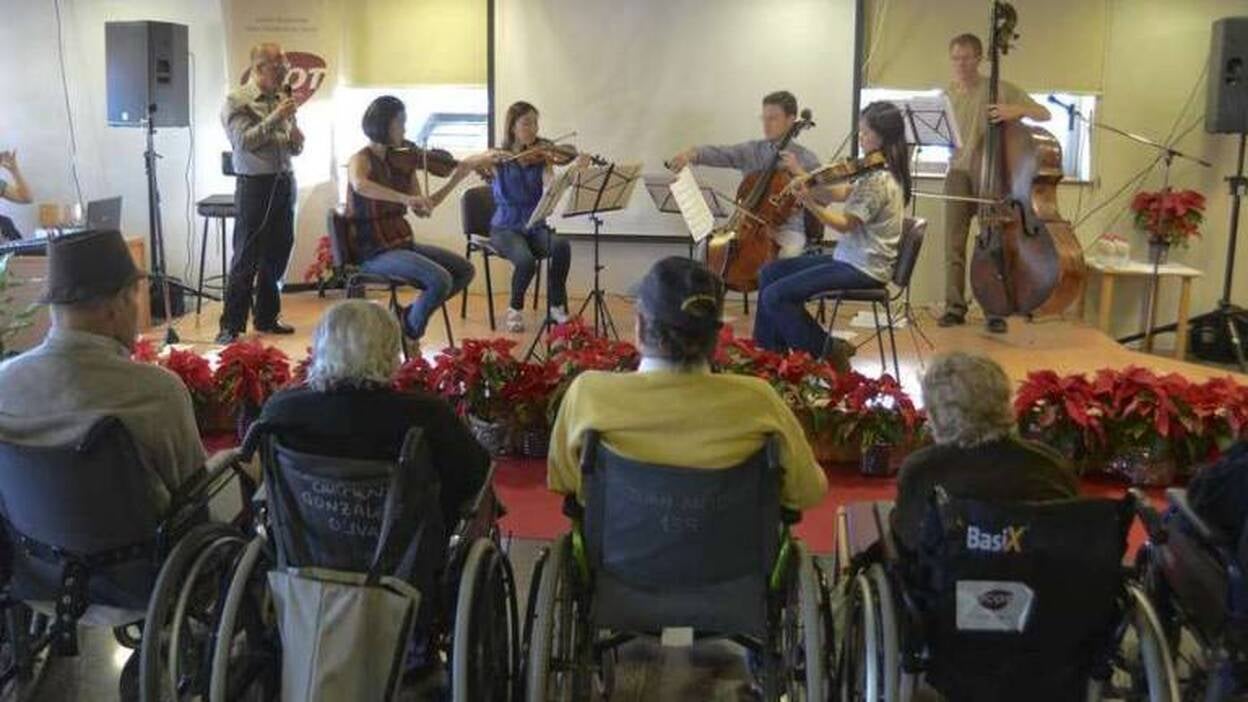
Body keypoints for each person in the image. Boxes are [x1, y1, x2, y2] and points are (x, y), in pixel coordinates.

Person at [548, 256, 827, 512]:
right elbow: (807, 493)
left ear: (641, 325)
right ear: (716, 335)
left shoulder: (589, 394)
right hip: (735, 565)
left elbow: (565, 481)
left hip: (614, 560)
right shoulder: (759, 401)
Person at [0, 229, 206, 508]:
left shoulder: (5, 383)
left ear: (54, 308)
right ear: (118, 304)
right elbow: (196, 496)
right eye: (136, 297)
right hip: (153, 549)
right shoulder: (159, 391)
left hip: (34, 549)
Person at [258, 299, 490, 529]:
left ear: (320, 347)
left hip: (307, 545)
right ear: (390, 352)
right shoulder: (426, 414)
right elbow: (473, 476)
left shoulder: (282, 409)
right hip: (407, 553)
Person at [752, 101, 911, 371]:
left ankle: (825, 351)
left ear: (883, 136)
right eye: (859, 132)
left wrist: (809, 202)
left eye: (865, 133)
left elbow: (845, 224)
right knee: (770, 274)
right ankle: (769, 356)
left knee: (775, 297)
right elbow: (840, 194)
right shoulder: (872, 171)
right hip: (849, 258)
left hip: (863, 267)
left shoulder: (879, 180)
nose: (860, 139)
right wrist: (807, 183)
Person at [891, 352, 1078, 553]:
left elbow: (907, 543)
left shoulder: (922, 469)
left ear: (937, 413)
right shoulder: (1049, 463)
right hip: (1041, 578)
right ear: (1004, 403)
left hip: (950, 579)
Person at [346, 95, 493, 344]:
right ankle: (409, 333)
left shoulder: (404, 161)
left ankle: (407, 318)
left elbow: (424, 208)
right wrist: (403, 198)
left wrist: (457, 177)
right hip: (372, 250)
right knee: (440, 279)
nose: (404, 129)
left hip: (401, 243)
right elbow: (360, 185)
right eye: (400, 122)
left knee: (464, 271)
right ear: (383, 124)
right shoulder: (361, 159)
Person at [939, 32, 1051, 335]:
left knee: (994, 242)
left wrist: (1017, 111)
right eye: (955, 58)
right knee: (954, 244)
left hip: (994, 177)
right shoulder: (945, 96)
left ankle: (994, 308)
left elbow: (1045, 113)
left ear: (979, 58)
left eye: (966, 57)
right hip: (959, 174)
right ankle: (954, 307)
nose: (960, 64)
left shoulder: (1000, 89)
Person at [217, 42, 304, 344]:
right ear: (258, 68)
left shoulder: (282, 97)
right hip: (254, 186)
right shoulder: (236, 100)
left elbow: (295, 147)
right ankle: (230, 325)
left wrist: (295, 132)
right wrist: (277, 117)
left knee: (278, 252)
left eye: (285, 67)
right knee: (246, 256)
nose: (284, 73)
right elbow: (243, 142)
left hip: (284, 182)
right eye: (278, 67)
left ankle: (267, 317)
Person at [667, 90, 821, 259]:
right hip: (747, 227)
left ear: (791, 120)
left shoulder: (806, 158)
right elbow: (722, 154)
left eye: (773, 119)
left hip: (788, 229)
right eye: (764, 118)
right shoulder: (751, 150)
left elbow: (822, 195)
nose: (766, 125)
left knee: (789, 255)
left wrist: (798, 171)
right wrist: (691, 154)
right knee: (707, 248)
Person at [489, 101, 584, 333]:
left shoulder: (540, 157)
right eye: (527, 123)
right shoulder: (498, 159)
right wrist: (492, 160)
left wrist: (572, 172)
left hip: (534, 226)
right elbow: (472, 164)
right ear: (513, 127)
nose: (533, 128)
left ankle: (556, 306)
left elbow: (552, 185)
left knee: (562, 246)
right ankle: (515, 308)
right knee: (526, 261)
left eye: (535, 123)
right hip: (505, 228)